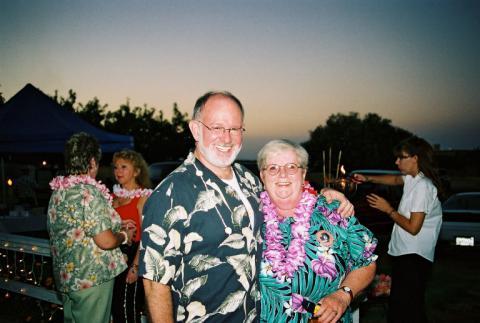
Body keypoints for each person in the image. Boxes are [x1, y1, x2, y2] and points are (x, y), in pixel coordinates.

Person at [139, 91, 354, 322]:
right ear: (195, 129)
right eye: (217, 128)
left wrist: (324, 194)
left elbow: (287, 196)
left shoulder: (247, 179)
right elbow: (154, 283)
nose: (226, 138)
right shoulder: (170, 193)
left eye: (234, 129)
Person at [258, 139, 377, 323]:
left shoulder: (333, 212)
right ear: (262, 176)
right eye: (272, 168)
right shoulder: (248, 216)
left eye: (291, 167)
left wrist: (343, 295)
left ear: (303, 172)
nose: (282, 175)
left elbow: (367, 262)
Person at [352, 136, 443, 323]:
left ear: (416, 158)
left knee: (405, 311)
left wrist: (388, 210)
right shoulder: (413, 179)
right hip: (407, 255)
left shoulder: (423, 188)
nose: (397, 161)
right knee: (408, 307)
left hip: (415, 257)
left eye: (401, 157)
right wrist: (368, 178)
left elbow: (413, 227)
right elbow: (394, 179)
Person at [47, 132, 136, 323]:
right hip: (91, 279)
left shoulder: (59, 191)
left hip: (68, 279)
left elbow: (77, 223)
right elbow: (105, 241)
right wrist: (124, 235)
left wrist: (116, 223)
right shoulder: (89, 192)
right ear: (93, 162)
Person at [111, 150, 152, 323]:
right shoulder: (112, 197)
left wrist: (135, 266)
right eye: (115, 167)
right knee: (115, 308)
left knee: (127, 310)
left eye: (124, 167)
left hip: (133, 255)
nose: (118, 171)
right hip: (113, 255)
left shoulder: (143, 197)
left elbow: (147, 235)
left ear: (136, 171)